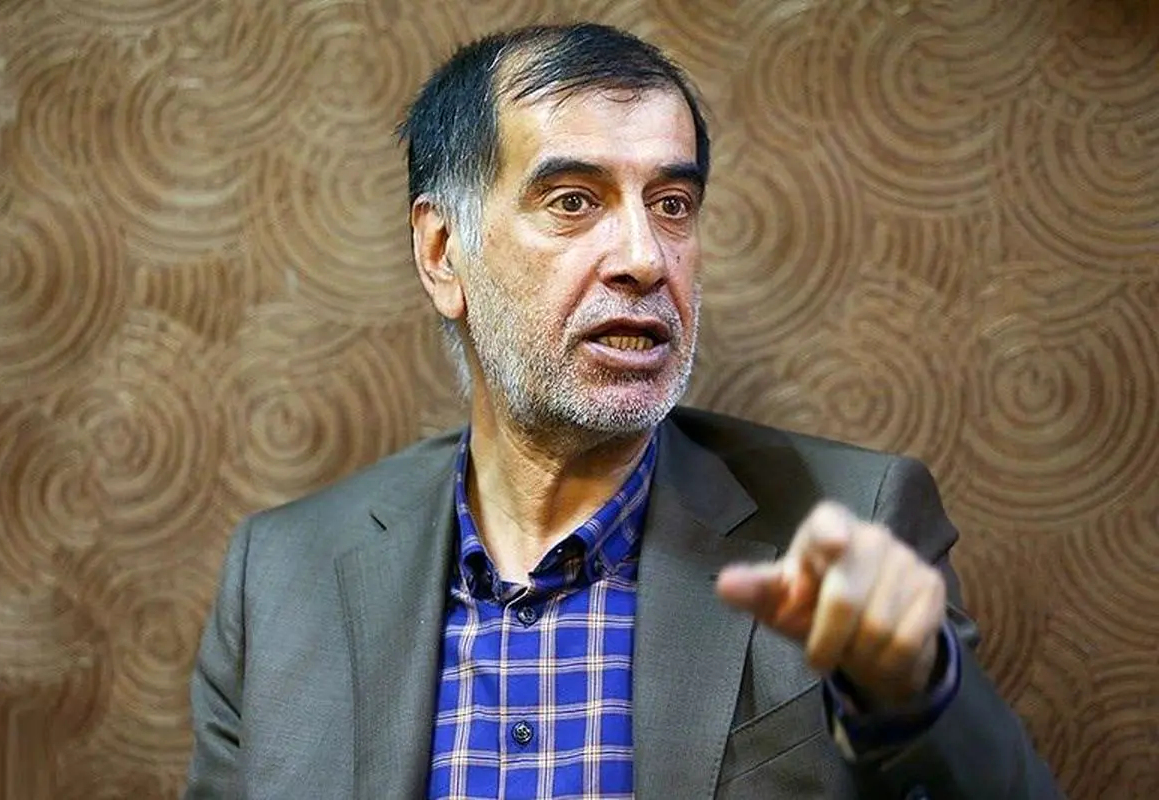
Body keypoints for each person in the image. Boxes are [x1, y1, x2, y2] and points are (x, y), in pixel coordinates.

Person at [184, 22, 1060, 800]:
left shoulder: (851, 520)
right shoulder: (281, 576)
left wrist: (921, 698)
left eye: (672, 205)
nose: (645, 257)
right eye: (574, 201)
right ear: (443, 252)